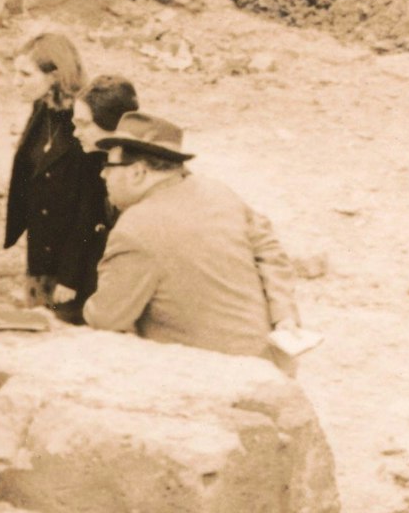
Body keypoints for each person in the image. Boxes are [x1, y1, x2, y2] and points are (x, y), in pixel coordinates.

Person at [83, 114, 300, 359]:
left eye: (108, 166)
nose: (103, 175)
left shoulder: (135, 228)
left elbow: (106, 318)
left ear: (138, 172)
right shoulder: (219, 192)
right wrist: (284, 315)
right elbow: (270, 250)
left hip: (213, 371)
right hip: (272, 361)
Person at [3, 33, 104, 311]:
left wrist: (69, 277)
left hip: (71, 265)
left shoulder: (84, 122)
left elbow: (90, 206)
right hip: (40, 253)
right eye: (15, 72)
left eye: (25, 74)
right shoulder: (43, 107)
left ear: (55, 76)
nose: (16, 82)